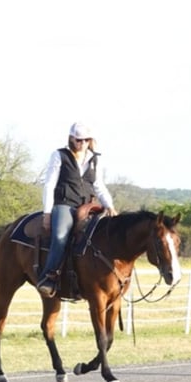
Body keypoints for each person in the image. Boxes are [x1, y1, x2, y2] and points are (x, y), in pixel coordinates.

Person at [36, 122, 118, 298]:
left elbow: (98, 185)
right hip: (64, 205)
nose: (82, 143)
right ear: (71, 138)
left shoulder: (95, 159)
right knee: (60, 237)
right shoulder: (59, 155)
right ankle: (49, 276)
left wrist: (110, 205)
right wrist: (47, 213)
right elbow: (49, 185)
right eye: (78, 139)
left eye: (86, 140)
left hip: (88, 206)